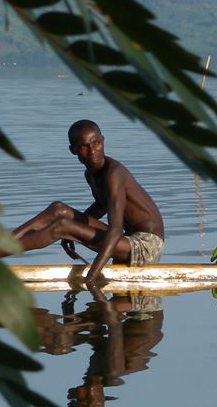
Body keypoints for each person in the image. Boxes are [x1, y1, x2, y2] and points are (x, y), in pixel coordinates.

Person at [9, 119, 166, 285]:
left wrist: (92, 275)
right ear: (73, 150)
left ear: (103, 141)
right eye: (84, 146)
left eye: (96, 143)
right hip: (127, 239)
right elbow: (100, 205)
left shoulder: (114, 174)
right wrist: (74, 230)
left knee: (61, 227)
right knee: (58, 209)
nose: (92, 151)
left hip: (147, 245)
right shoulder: (91, 174)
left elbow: (115, 229)